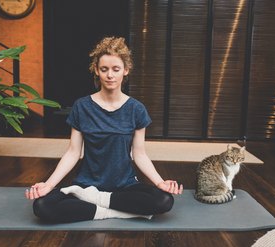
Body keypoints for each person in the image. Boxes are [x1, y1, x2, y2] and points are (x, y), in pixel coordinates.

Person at [25, 36, 183, 223]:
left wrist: (159, 182)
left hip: (124, 186)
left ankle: (97, 205)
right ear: (96, 71)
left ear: (125, 71)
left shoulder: (136, 109)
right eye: (104, 69)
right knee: (42, 206)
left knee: (164, 201)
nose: (110, 75)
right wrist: (49, 184)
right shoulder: (81, 106)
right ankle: (116, 211)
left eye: (116, 69)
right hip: (86, 186)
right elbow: (73, 152)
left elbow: (139, 154)